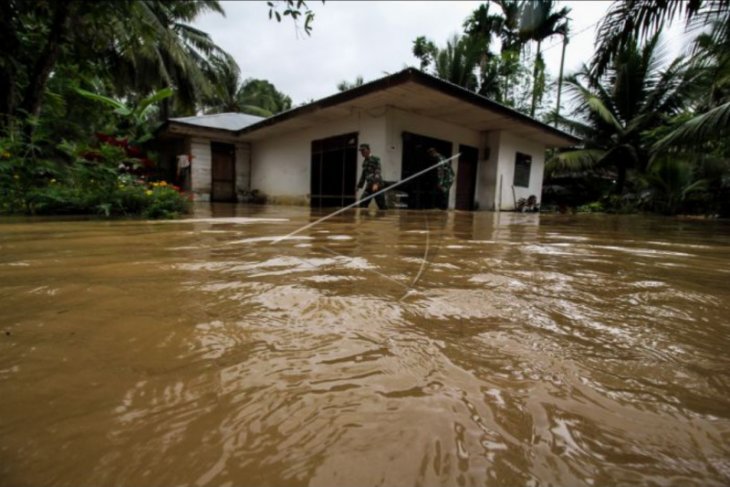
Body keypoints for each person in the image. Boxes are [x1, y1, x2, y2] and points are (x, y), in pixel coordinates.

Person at [356, 143, 386, 209]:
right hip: (369, 186)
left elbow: (378, 171)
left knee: (382, 206)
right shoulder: (364, 162)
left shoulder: (375, 159)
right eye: (361, 151)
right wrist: (358, 186)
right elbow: (363, 175)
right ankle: (364, 218)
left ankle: (384, 217)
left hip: (378, 186)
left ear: (369, 150)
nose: (362, 152)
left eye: (363, 150)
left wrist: (376, 183)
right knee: (362, 203)